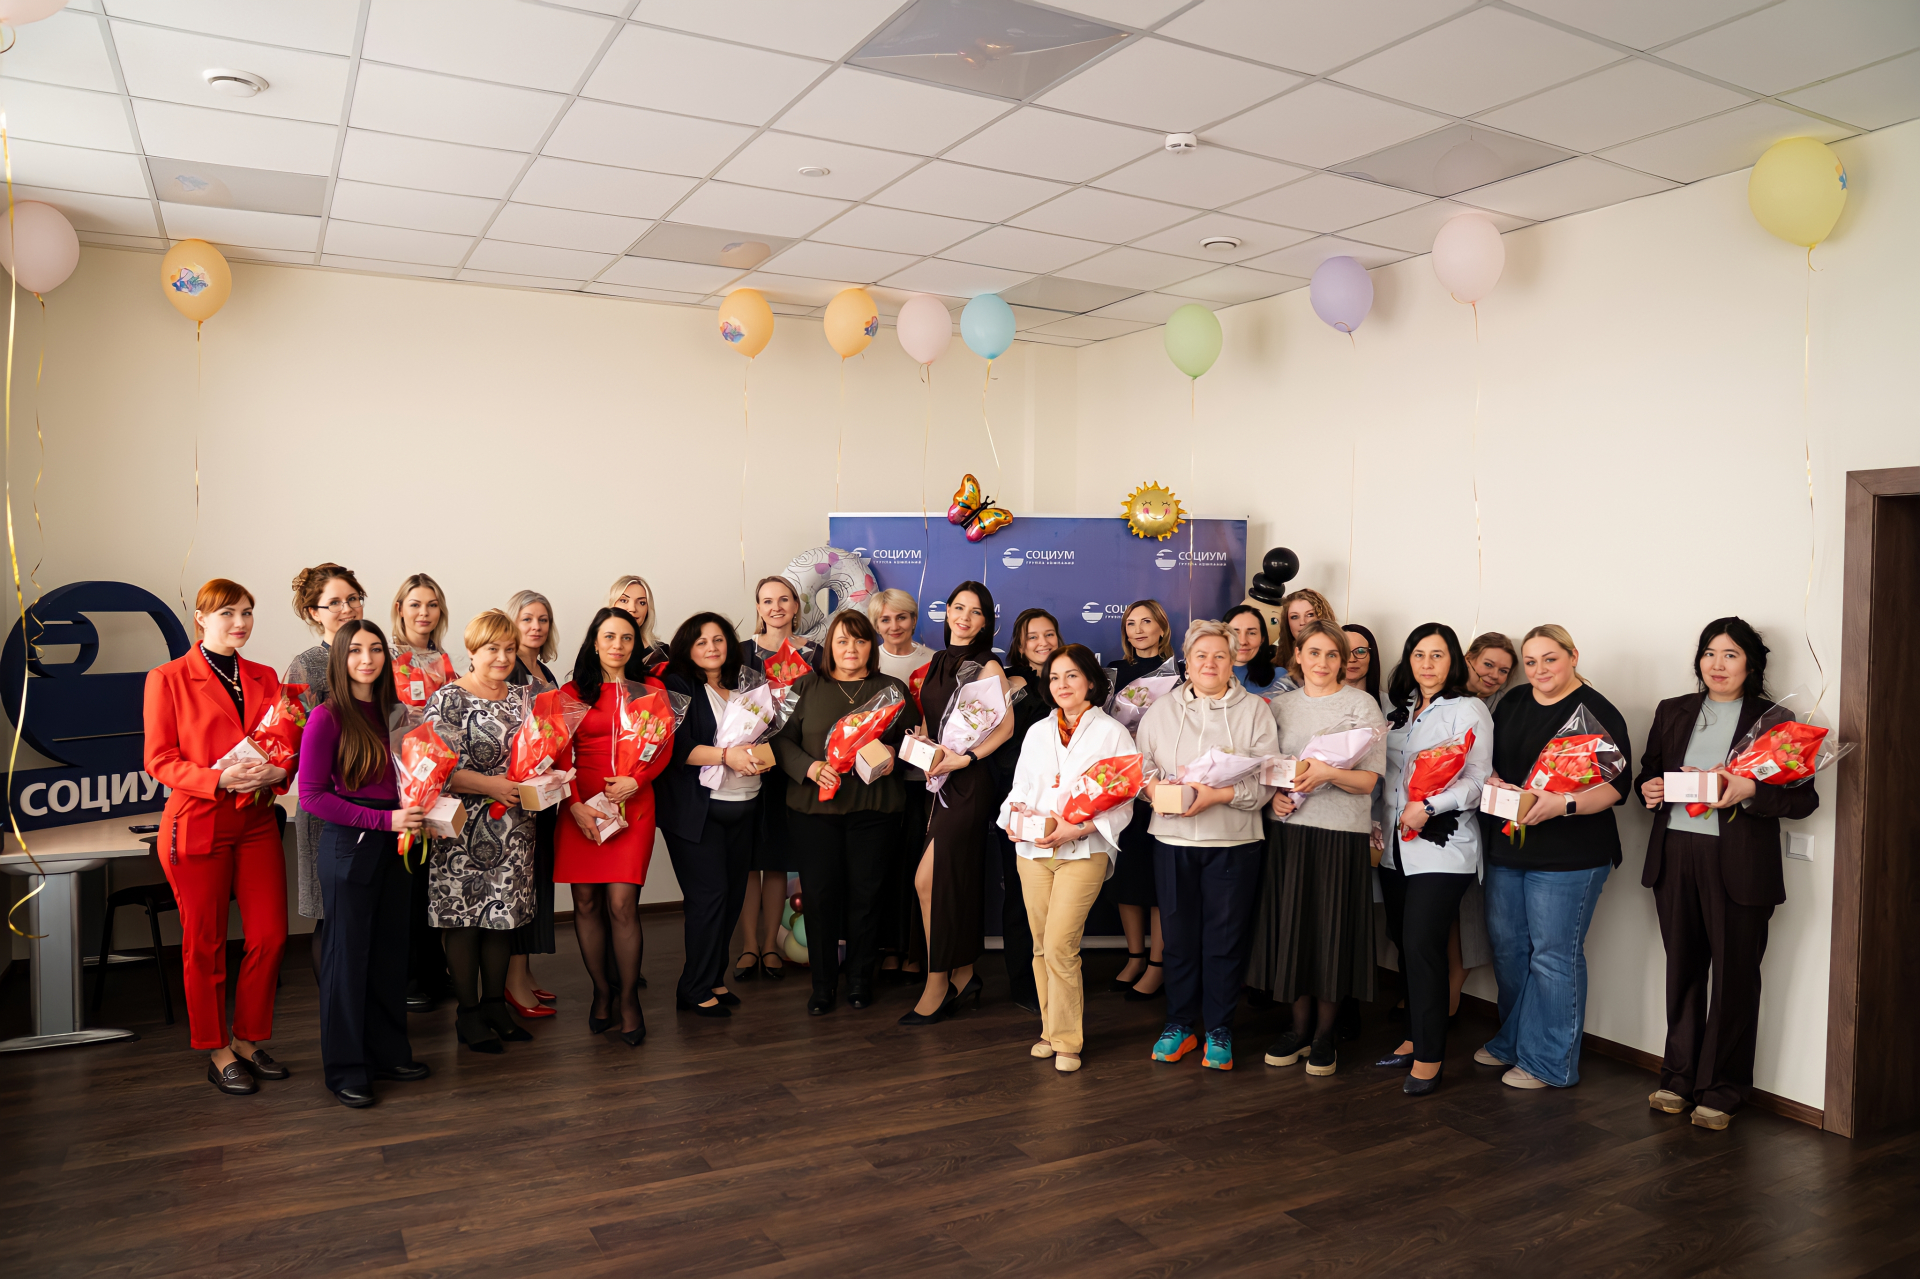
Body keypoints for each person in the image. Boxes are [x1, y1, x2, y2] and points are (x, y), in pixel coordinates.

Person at [1635, 618, 1817, 1131]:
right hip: (1676, 854)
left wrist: (1750, 790)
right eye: (1709, 653)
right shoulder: (1673, 710)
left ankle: (1722, 1088)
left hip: (1739, 863)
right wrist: (1649, 789)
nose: (1717, 664)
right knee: (1683, 970)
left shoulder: (1775, 720)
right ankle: (1678, 1078)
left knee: (1735, 977)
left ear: (1751, 664)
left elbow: (1803, 799)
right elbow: (1650, 772)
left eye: (1730, 654)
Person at [142, 580, 292, 1096]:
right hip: (198, 819)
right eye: (227, 613)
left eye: (247, 612)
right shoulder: (167, 678)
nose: (240, 622)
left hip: (256, 820)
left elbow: (285, 745)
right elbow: (159, 759)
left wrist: (280, 772)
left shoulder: (265, 676)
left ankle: (248, 1039)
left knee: (271, 936)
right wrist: (218, 778)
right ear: (202, 619)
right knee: (204, 944)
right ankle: (217, 1049)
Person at [1478, 624, 1632, 1090]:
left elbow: (1616, 788)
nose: (1540, 669)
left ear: (1573, 656)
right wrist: (1493, 779)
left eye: (1550, 658)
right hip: (1509, 846)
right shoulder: (1513, 702)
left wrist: (1564, 804)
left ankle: (1549, 1062)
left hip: (1571, 856)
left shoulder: (1597, 711)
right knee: (1509, 952)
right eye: (1531, 661)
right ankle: (1513, 1041)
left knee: (1552, 957)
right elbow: (1493, 758)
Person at [1136, 620, 1280, 1070]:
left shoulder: (1255, 711)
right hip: (1172, 840)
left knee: (1224, 940)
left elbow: (1267, 781)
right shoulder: (1160, 710)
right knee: (1177, 939)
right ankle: (1179, 1025)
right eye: (1201, 655)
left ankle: (1219, 1029)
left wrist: (1218, 795)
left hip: (1235, 842)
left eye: (1220, 655)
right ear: (1187, 660)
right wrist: (1157, 791)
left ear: (1233, 659)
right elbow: (1141, 769)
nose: (1210, 663)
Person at [299, 619, 430, 1107]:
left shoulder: (398, 714)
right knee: (347, 959)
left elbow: (413, 777)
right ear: (340, 657)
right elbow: (312, 796)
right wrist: (385, 820)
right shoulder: (326, 717)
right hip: (352, 845)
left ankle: (389, 1053)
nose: (367, 659)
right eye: (355, 650)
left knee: (390, 954)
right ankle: (346, 1069)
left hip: (399, 842)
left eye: (376, 649)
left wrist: (423, 807)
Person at [1250, 621, 1386, 1077]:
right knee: (1294, 931)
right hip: (1289, 834)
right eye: (1314, 652)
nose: (1322, 662)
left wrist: (1328, 773)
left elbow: (1367, 781)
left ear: (1343, 659)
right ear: (1298, 655)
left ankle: (1325, 1036)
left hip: (1339, 835)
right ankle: (1297, 1030)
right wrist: (1274, 798)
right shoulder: (1279, 707)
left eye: (1332, 654)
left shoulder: (1361, 705)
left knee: (1330, 934)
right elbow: (1266, 770)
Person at [771, 609, 919, 1014]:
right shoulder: (804, 686)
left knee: (866, 897)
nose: (850, 648)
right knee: (819, 899)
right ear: (829, 647)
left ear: (871, 647)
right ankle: (823, 986)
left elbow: (913, 740)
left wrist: (893, 753)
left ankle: (859, 980)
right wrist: (809, 767)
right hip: (813, 813)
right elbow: (780, 740)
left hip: (875, 810)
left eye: (859, 640)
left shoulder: (891, 689)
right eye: (842, 640)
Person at [998, 644, 1137, 1070]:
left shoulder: (1113, 732)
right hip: (1033, 851)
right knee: (1041, 945)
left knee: (1061, 944)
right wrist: (1012, 818)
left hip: (1084, 850)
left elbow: (1123, 800)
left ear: (1091, 681)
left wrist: (1078, 829)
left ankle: (1067, 1041)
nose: (1062, 684)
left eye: (1072, 675)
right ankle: (1050, 1030)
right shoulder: (1038, 731)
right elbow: (1020, 789)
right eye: (1055, 677)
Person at [1373, 624, 1492, 1096]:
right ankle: (1413, 1037)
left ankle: (1429, 1057)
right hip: (1394, 846)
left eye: (1437, 655)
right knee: (1404, 944)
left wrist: (1430, 806)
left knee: (1423, 945)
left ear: (1453, 661)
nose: (1427, 663)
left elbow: (1478, 781)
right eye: (1419, 654)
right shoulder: (1399, 710)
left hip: (1443, 847)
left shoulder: (1469, 708)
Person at [423, 611, 538, 1055]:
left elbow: (542, 753)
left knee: (500, 920)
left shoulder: (526, 698)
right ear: (471, 651)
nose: (503, 657)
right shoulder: (448, 699)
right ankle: (467, 1013)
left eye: (510, 649)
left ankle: (495, 1006)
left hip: (514, 827)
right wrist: (491, 785)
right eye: (492, 649)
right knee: (464, 921)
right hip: (460, 828)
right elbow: (434, 768)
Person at [556, 607, 671, 1046]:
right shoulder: (572, 692)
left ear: (635, 644)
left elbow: (664, 746)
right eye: (609, 636)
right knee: (585, 903)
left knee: (622, 904)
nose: (618, 645)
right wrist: (575, 806)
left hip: (632, 804)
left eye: (626, 638)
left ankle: (628, 999)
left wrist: (637, 780)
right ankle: (601, 992)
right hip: (581, 806)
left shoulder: (651, 689)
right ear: (594, 641)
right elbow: (557, 753)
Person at [902, 581, 1015, 1025]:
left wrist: (965, 759)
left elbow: (1004, 727)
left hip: (969, 783)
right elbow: (932, 720)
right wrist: (921, 742)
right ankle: (964, 974)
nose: (965, 617)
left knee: (929, 881)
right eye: (959, 608)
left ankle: (938, 983)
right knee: (952, 881)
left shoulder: (987, 665)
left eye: (976, 611)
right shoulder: (936, 662)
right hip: (938, 781)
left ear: (986, 622)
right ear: (947, 611)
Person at [657, 613, 764, 1017]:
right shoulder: (677, 685)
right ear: (687, 648)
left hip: (744, 802)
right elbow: (675, 747)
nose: (712, 647)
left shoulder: (746, 683)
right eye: (701, 641)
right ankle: (694, 987)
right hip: (697, 811)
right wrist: (726, 755)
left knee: (732, 896)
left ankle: (714, 977)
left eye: (718, 639)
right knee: (709, 897)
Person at [735, 574, 822, 983]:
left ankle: (771, 943)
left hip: (793, 766)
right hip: (748, 766)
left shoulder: (815, 653)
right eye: (767, 601)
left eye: (784, 599)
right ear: (758, 607)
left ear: (796, 605)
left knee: (776, 860)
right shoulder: (740, 653)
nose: (776, 607)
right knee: (748, 860)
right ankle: (748, 945)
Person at [283, 563, 366, 974]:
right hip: (327, 805)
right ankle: (334, 1002)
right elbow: (290, 738)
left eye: (352, 598)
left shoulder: (374, 655)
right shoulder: (308, 665)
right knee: (329, 913)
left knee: (366, 911)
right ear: (313, 612)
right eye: (334, 602)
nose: (346, 608)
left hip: (375, 803)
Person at [1106, 598, 1179, 1000]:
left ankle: (1157, 964)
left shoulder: (1179, 674)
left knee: (1156, 880)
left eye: (1146, 622)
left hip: (1158, 785)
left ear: (1162, 628)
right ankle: (1134, 957)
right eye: (1131, 623)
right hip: (1120, 786)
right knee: (1126, 875)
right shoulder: (1113, 672)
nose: (1138, 630)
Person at [988, 607, 1060, 1013]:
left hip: (1064, 807)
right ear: (1019, 643)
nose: (1042, 642)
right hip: (1017, 804)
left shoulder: (1070, 677)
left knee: (1060, 897)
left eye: (1049, 634)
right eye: (1033, 636)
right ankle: (1024, 981)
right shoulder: (1006, 680)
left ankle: (1058, 975)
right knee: (1019, 894)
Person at [391, 572, 456, 1011]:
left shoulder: (445, 661)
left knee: (437, 881)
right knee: (410, 886)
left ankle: (435, 971)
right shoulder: (386, 658)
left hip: (442, 782)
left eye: (432, 604)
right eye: (415, 604)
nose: (424, 612)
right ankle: (410, 977)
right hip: (403, 785)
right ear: (400, 609)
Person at [868, 588, 935, 980]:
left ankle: (914, 950)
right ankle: (888, 947)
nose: (895, 626)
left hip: (923, 781)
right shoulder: (867, 660)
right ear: (876, 624)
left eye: (902, 617)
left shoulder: (934, 661)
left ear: (914, 619)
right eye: (885, 619)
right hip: (880, 780)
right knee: (884, 864)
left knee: (916, 865)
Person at [503, 589, 560, 1019]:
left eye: (543, 619)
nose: (536, 627)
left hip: (545, 792)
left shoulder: (545, 670)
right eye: (527, 619)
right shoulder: (509, 670)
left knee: (536, 883)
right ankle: (512, 981)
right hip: (518, 796)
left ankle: (523, 973)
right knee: (519, 886)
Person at [1225, 603, 1293, 701]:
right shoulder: (1209, 674)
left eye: (1251, 633)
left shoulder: (1278, 677)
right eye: (1234, 632)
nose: (1243, 641)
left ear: (1262, 639)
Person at [607, 573, 668, 672]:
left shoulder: (662, 654)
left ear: (648, 609)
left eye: (642, 603)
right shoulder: (595, 647)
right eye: (624, 600)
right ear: (612, 604)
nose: (632, 609)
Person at [1276, 587, 1338, 675]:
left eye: (1310, 615)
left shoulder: (1343, 657)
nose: (1302, 622)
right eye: (1294, 617)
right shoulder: (1278, 669)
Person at [1465, 632, 1519, 706]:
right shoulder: (1447, 692)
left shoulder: (1506, 707)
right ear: (1468, 658)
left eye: (1503, 671)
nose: (1495, 676)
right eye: (1488, 664)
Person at [1341, 623, 1380, 703]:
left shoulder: (1390, 705)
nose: (1351, 659)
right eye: (1344, 651)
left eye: (1360, 651)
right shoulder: (1318, 701)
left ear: (1371, 655)